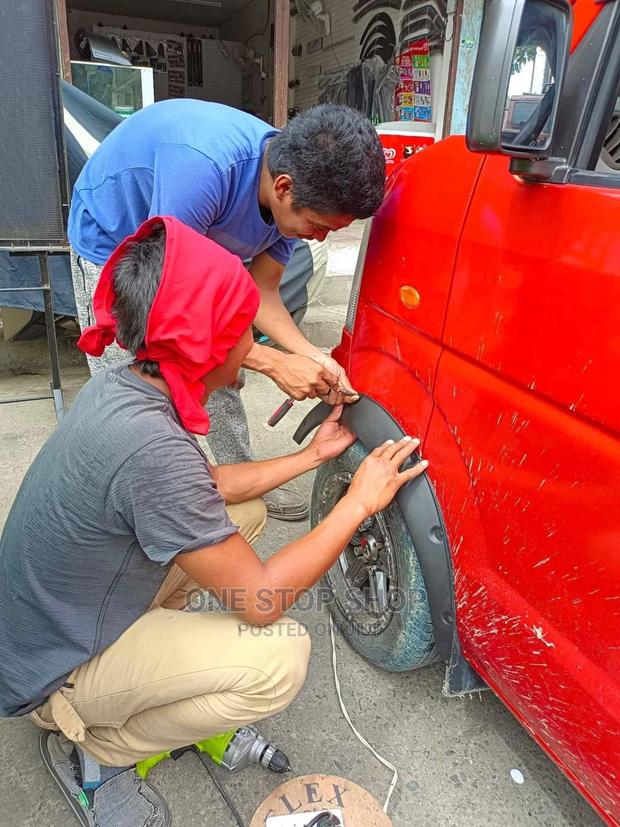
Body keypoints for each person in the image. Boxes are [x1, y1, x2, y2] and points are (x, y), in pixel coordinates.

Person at [0, 217, 428, 826]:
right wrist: (359, 501)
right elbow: (260, 602)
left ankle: (146, 676)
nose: (251, 347)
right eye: (240, 332)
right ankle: (95, 749)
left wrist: (310, 457)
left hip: (50, 617)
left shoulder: (130, 384)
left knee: (244, 514)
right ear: (201, 345)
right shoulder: (151, 447)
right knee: (279, 658)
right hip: (51, 672)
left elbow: (210, 488)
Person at [68, 100, 386, 520]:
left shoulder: (289, 199)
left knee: (222, 377)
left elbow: (263, 290)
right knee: (140, 386)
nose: (321, 239)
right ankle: (143, 501)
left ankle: (242, 479)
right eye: (319, 226)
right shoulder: (202, 170)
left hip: (190, 247)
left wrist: (310, 356)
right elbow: (171, 312)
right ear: (284, 188)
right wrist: (273, 363)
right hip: (118, 243)